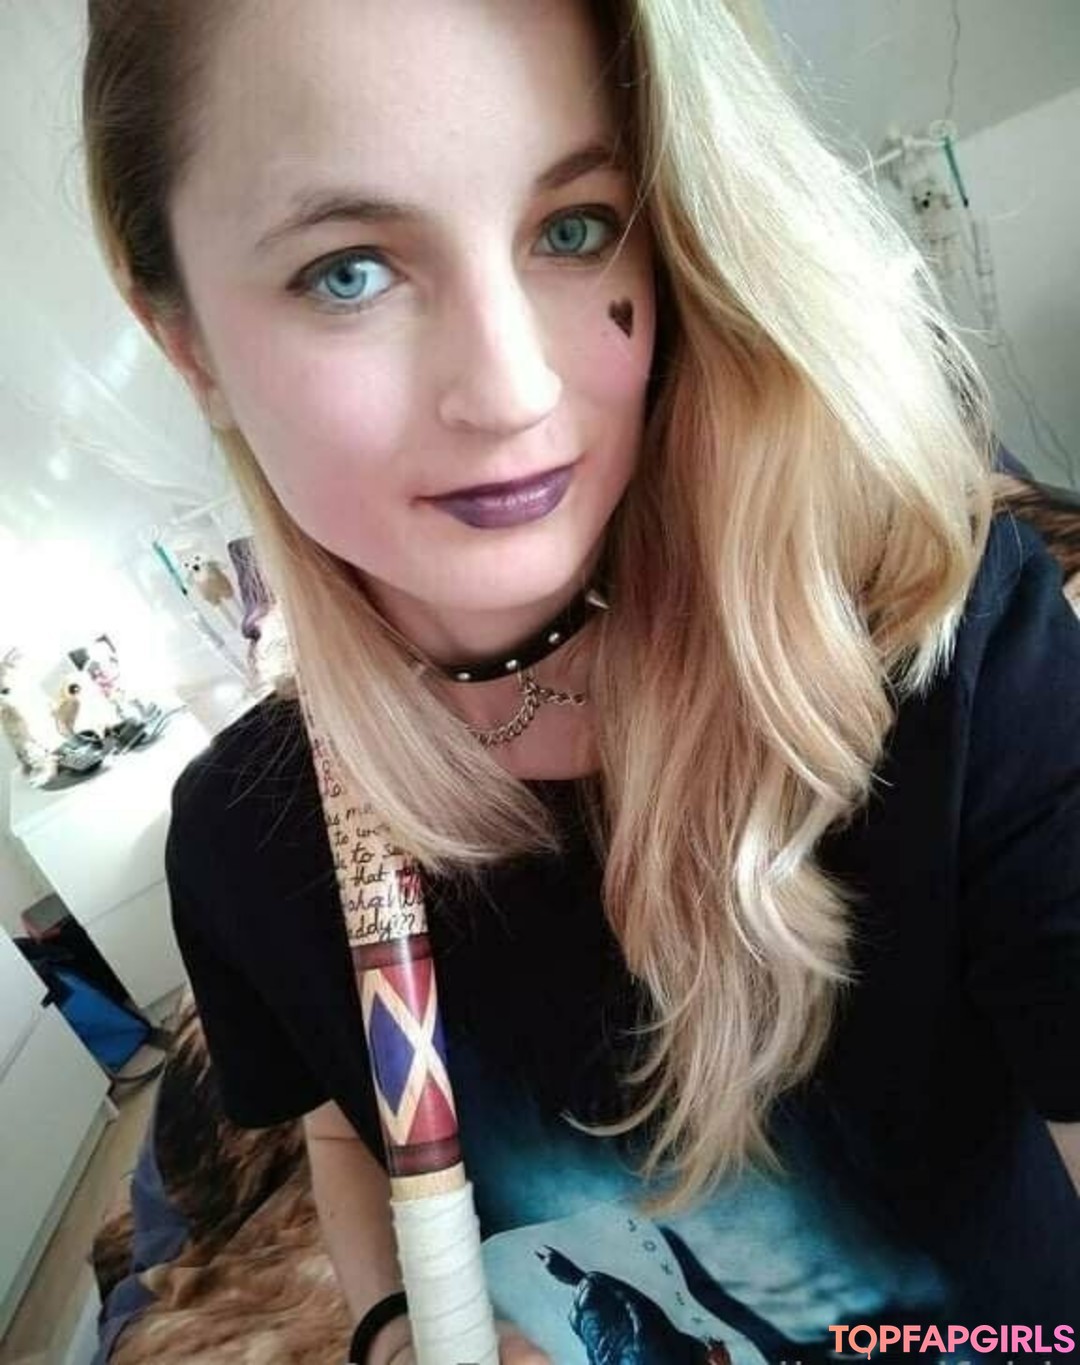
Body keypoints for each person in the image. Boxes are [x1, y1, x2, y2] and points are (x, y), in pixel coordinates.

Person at [81, 1, 1080, 1361]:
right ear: (184, 337)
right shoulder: (239, 842)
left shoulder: (941, 648)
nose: (511, 391)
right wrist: (399, 1326)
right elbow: (345, 1120)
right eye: (350, 270)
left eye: (573, 227)